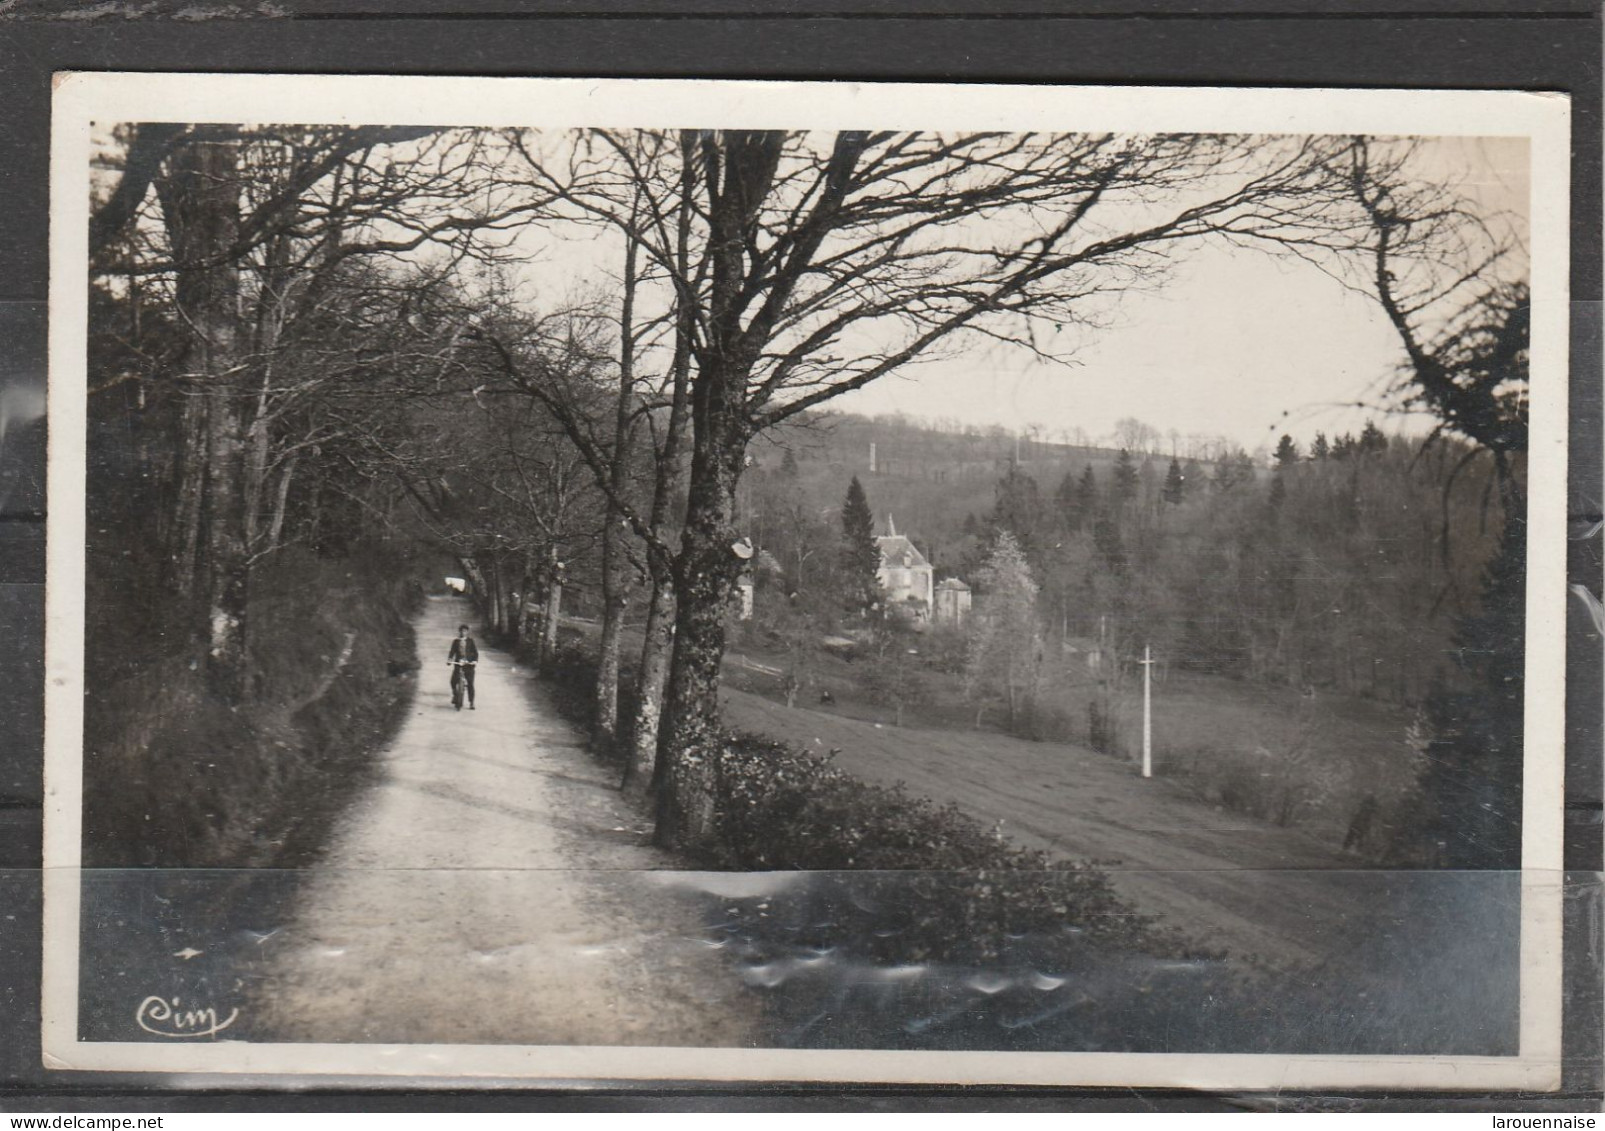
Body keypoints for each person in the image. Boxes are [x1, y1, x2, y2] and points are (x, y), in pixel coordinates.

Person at [448, 623, 478, 710]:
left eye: (465, 631)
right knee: (453, 681)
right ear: (459, 632)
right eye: (461, 631)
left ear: (467, 632)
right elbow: (452, 652)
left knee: (470, 684)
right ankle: (455, 694)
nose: (463, 633)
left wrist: (474, 661)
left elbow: (475, 653)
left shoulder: (471, 641)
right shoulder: (456, 641)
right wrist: (449, 659)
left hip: (468, 665)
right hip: (458, 664)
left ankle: (471, 702)